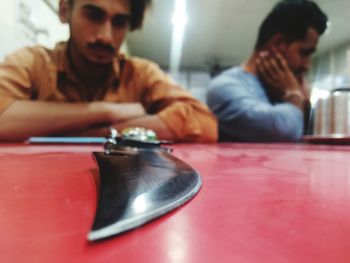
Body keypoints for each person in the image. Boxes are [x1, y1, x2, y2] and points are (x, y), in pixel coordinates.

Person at [0, 0, 217, 142]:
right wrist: (104, 111)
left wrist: (96, 134)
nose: (106, 36)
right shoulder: (33, 61)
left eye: (120, 22)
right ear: (65, 10)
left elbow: (204, 123)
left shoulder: (140, 73)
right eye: (93, 15)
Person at [206, 0, 328, 142]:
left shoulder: (282, 89)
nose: (307, 65)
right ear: (277, 44)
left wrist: (305, 106)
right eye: (304, 53)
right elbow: (284, 132)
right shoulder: (224, 88)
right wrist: (294, 97)